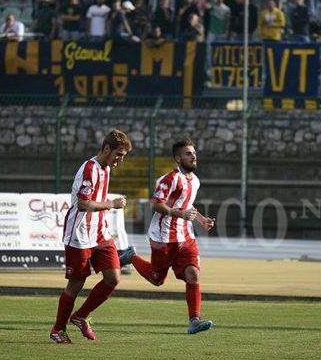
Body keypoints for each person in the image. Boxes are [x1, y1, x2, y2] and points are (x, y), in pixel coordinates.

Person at [120, 137, 215, 335]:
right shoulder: (169, 179)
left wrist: (201, 219)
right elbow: (156, 204)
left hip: (185, 237)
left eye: (194, 152)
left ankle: (194, 320)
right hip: (163, 237)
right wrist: (180, 214)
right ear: (178, 158)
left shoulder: (195, 181)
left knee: (193, 275)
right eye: (188, 153)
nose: (193, 156)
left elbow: (187, 206)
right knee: (157, 279)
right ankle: (131, 257)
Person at [50, 129, 133, 344]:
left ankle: (80, 316)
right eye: (118, 155)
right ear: (107, 149)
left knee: (113, 277)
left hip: (100, 232)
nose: (119, 161)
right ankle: (58, 329)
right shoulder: (90, 169)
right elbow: (83, 203)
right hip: (79, 234)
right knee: (76, 285)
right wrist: (112, 204)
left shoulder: (105, 169)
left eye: (123, 157)